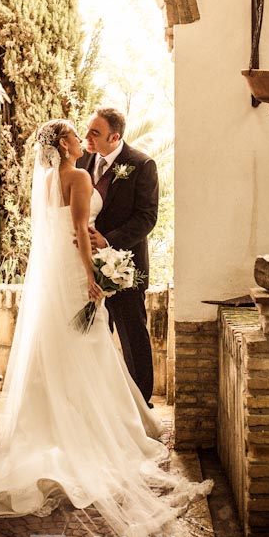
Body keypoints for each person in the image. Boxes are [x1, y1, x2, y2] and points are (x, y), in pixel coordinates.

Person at [0, 119, 212, 537]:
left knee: (72, 352)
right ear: (64, 144)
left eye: (89, 132)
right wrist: (95, 278)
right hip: (77, 274)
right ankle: (95, 431)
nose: (83, 138)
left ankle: (61, 427)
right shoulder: (80, 174)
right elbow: (78, 229)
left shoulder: (53, 177)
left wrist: (102, 258)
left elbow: (84, 227)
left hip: (56, 278)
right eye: (76, 134)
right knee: (90, 352)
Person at [78, 107, 158, 405]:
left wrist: (108, 240)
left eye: (94, 133)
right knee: (92, 335)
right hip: (86, 267)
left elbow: (147, 217)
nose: (86, 137)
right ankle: (98, 405)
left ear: (115, 137)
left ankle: (142, 405)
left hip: (124, 267)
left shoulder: (141, 164)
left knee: (132, 336)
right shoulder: (82, 160)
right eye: (87, 130)